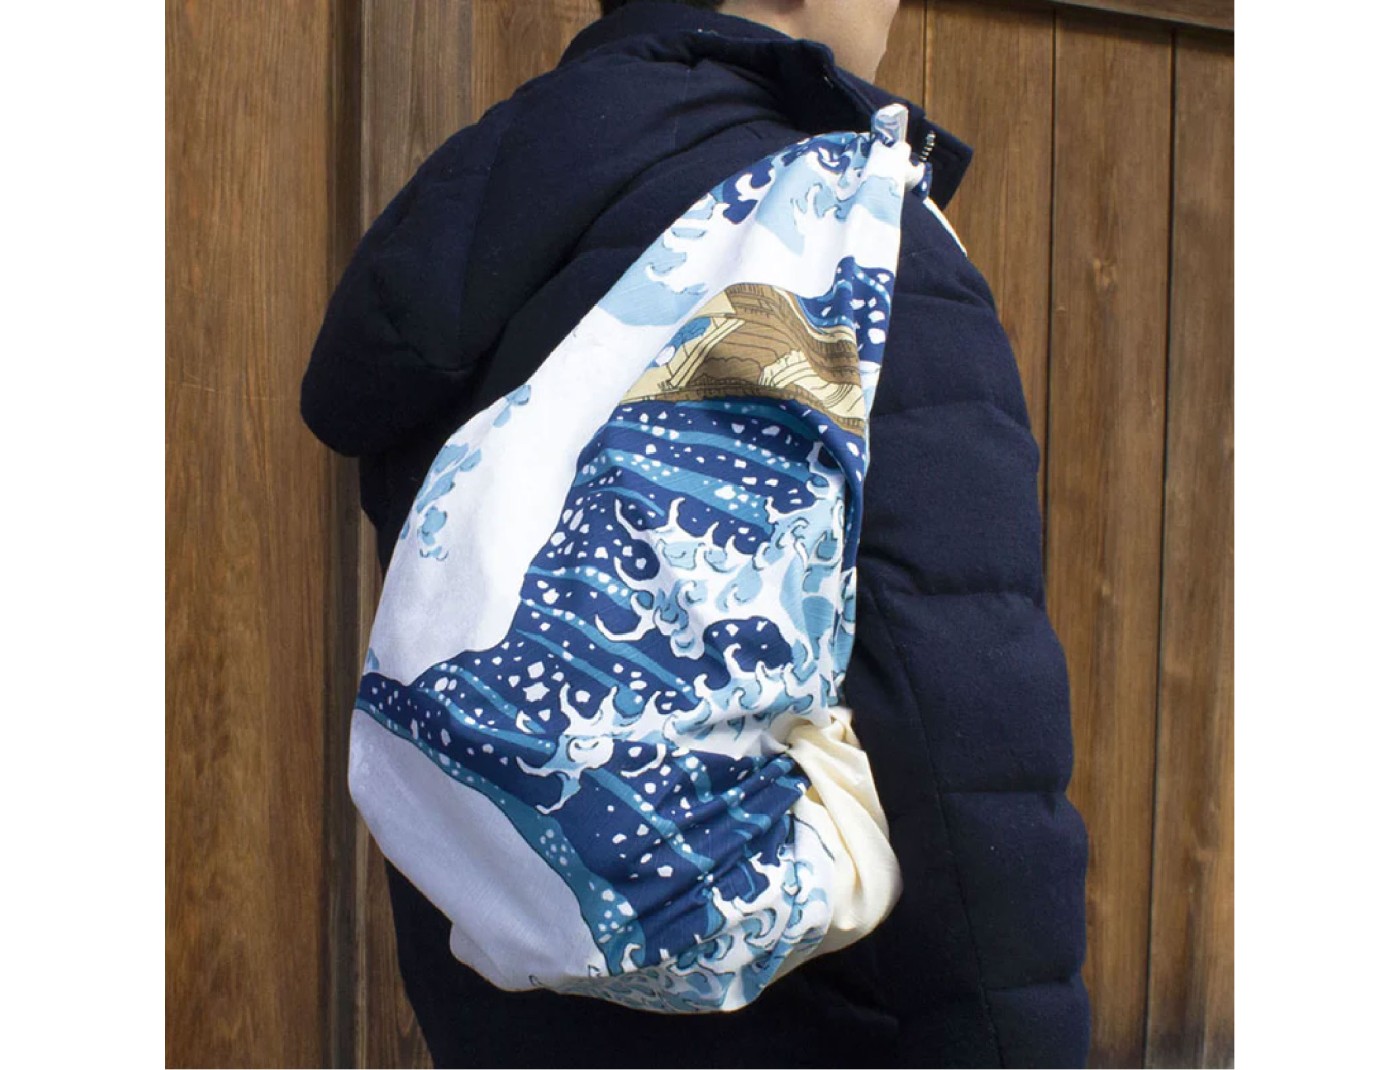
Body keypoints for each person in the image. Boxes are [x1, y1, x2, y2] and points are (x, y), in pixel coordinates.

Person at [301, 1, 1090, 1066]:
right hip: (790, 1022)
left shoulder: (477, 217)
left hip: (502, 993)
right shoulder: (851, 239)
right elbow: (966, 742)